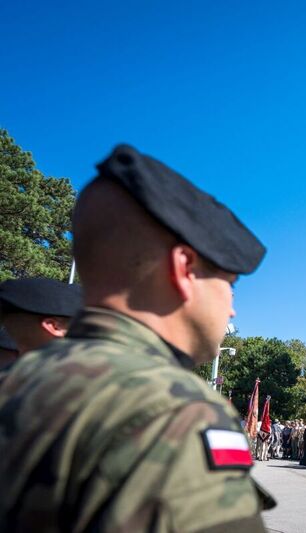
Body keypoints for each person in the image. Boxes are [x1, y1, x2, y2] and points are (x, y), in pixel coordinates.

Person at [0, 144, 270, 532]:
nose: (232, 309)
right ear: (185, 269)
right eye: (229, 284)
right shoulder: (177, 411)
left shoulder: (12, 384)